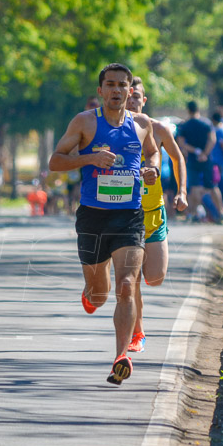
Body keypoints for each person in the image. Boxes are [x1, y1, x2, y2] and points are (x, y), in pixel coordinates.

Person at [48, 63, 160, 385]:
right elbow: (55, 161)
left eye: (121, 85)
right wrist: (89, 158)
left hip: (129, 215)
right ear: (100, 91)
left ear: (130, 90)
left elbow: (152, 154)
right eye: (109, 85)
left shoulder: (141, 124)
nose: (115, 90)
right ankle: (91, 293)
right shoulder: (84, 123)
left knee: (127, 286)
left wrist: (151, 169)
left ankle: (120, 357)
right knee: (101, 294)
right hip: (93, 216)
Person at [125, 76, 188, 353]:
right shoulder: (112, 129)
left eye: (136, 96)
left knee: (156, 277)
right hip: (125, 213)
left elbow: (178, 158)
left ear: (143, 99)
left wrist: (182, 191)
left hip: (154, 213)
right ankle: (137, 332)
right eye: (127, 95)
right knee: (133, 276)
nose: (131, 100)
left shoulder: (159, 129)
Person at [177, 101, 223, 223]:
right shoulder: (206, 123)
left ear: (188, 110)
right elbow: (212, 139)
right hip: (207, 160)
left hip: (193, 160)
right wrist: (205, 153)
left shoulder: (185, 125)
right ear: (198, 110)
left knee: (194, 187)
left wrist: (195, 151)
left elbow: (181, 143)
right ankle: (221, 213)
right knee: (212, 186)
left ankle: (193, 214)